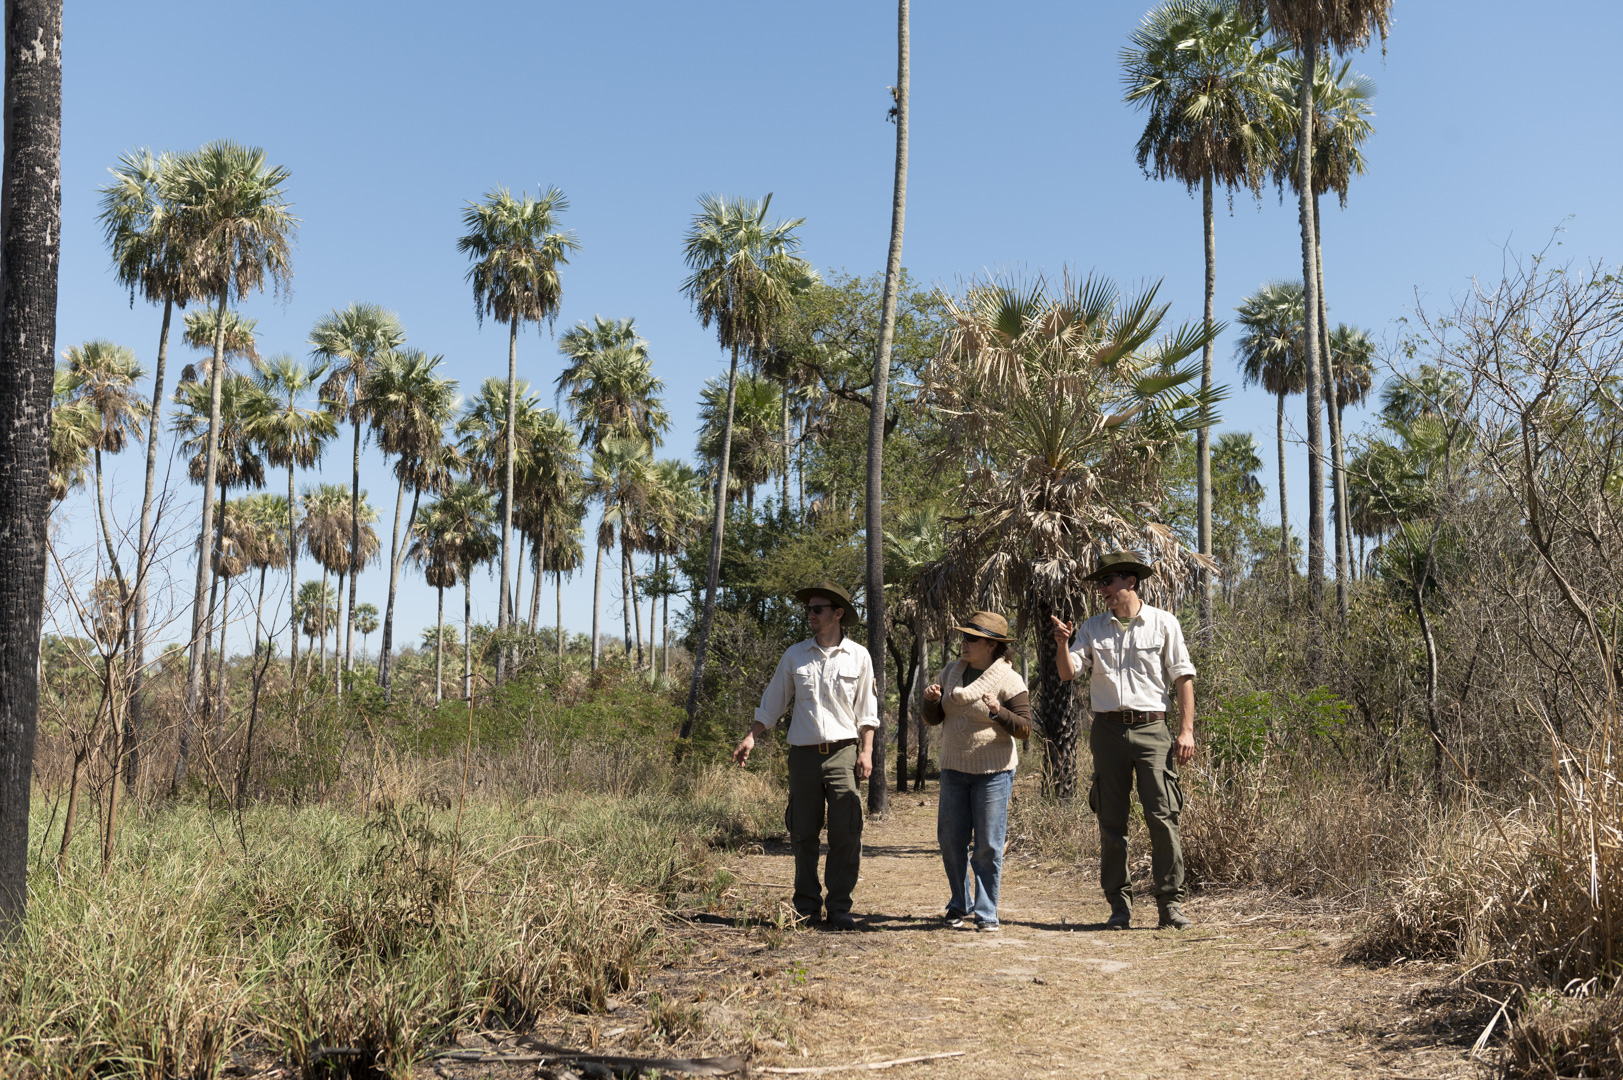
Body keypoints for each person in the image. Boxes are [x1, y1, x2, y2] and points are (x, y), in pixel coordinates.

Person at [1051, 550, 1197, 930]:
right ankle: (1119, 906)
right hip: (1108, 731)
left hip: (1153, 730)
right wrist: (1062, 643)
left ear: (1130, 581)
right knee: (1112, 821)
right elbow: (1068, 674)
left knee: (1163, 817)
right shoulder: (1092, 628)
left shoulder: (1164, 623)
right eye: (1100, 583)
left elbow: (1183, 678)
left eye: (1108, 581)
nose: (1101, 589)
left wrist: (1186, 731)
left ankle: (1170, 905)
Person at [733, 581, 877, 929]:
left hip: (844, 752)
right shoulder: (794, 655)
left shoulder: (859, 656)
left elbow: (867, 710)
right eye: (808, 610)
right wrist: (752, 736)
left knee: (846, 831)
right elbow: (773, 702)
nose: (810, 615)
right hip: (803, 756)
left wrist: (867, 751)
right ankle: (806, 906)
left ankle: (840, 906)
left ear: (838, 613)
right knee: (802, 832)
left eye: (818, 609)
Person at [922, 611, 1031, 933]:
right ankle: (959, 902)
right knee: (950, 841)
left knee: (987, 845)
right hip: (953, 768)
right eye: (963, 637)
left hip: (993, 772)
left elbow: (1024, 729)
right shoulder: (951, 672)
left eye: (971, 638)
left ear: (991, 645)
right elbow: (934, 719)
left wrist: (998, 712)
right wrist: (931, 701)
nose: (964, 643)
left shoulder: (1009, 679)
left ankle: (986, 911)